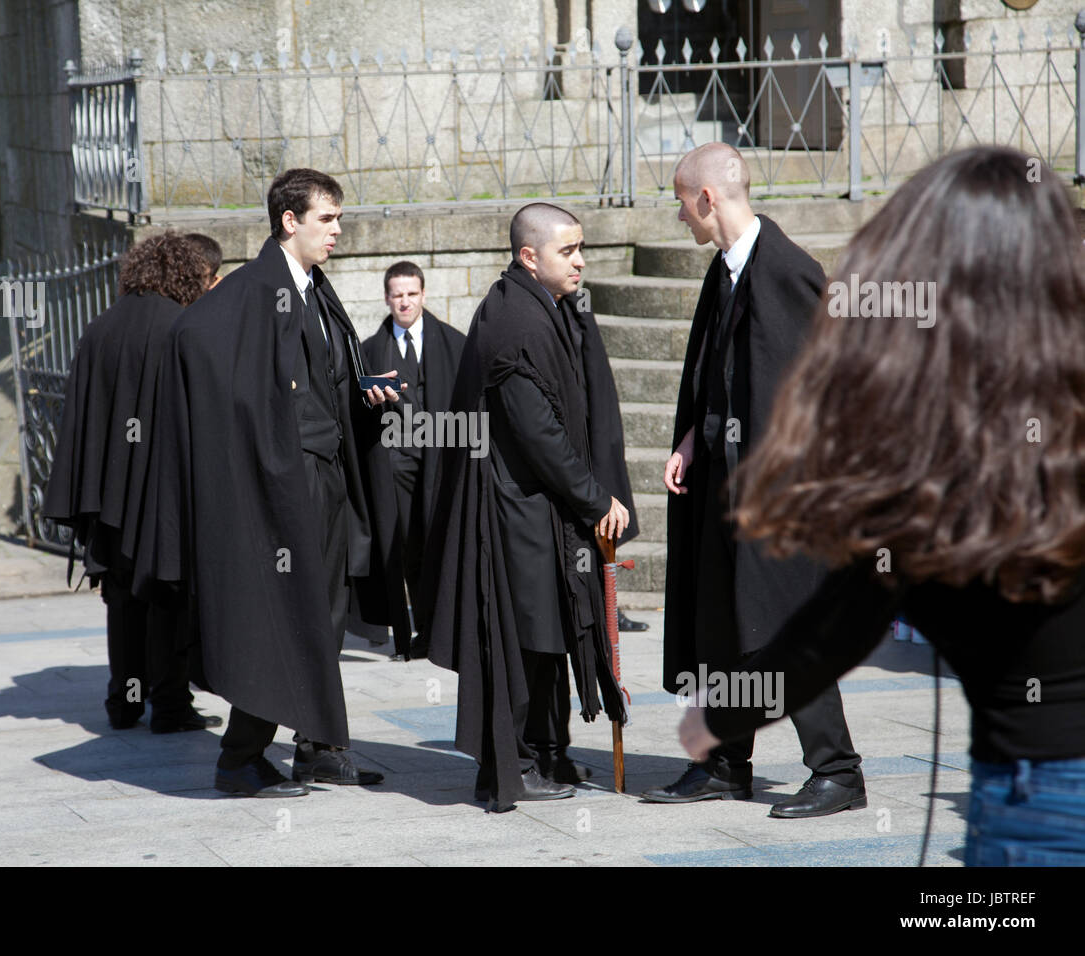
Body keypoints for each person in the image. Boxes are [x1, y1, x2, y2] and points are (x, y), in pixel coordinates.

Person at [677, 144, 1085, 865]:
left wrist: (720, 714)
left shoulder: (933, 470)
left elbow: (834, 628)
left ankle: (831, 770)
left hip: (1033, 810)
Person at [133, 168, 408, 798]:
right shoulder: (254, 288)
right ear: (290, 220)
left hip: (326, 477)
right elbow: (195, 339)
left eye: (338, 218)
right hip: (286, 482)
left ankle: (318, 748)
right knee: (283, 616)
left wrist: (362, 392)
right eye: (327, 219)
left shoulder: (313, 288)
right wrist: (262, 440)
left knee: (326, 613)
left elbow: (320, 374)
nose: (338, 230)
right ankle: (240, 757)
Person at [645, 142, 866, 817]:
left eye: (683, 204)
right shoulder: (727, 269)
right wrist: (692, 434)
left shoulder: (789, 271)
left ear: (707, 199)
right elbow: (721, 368)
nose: (680, 217)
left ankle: (838, 770)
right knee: (720, 622)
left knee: (781, 627)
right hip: (724, 480)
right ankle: (724, 763)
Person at [419, 202, 638, 811]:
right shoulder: (512, 321)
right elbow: (537, 429)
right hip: (513, 513)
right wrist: (595, 498)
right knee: (523, 639)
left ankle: (544, 751)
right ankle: (513, 761)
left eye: (581, 248)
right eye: (568, 250)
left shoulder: (548, 306)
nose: (581, 261)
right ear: (529, 256)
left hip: (541, 510)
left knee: (549, 635)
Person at [43, 232, 220, 733]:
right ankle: (168, 704)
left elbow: (83, 418)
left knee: (120, 594)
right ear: (185, 274)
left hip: (108, 489)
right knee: (164, 591)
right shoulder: (181, 325)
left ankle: (123, 702)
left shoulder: (100, 326)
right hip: (160, 487)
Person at [360, 261, 466, 659]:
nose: (404, 302)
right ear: (387, 298)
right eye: (397, 295)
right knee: (406, 546)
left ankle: (444, 628)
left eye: (411, 293)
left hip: (440, 459)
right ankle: (417, 633)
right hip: (396, 465)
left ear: (423, 294)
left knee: (441, 543)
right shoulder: (370, 351)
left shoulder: (455, 344)